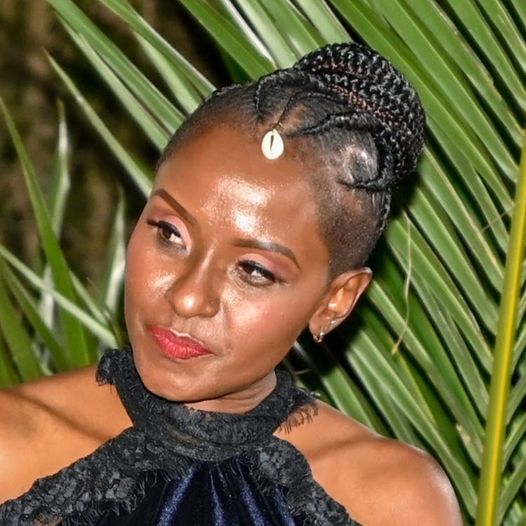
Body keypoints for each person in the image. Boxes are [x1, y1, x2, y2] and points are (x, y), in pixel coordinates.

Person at [0, 42, 462, 525]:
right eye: (170, 233)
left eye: (254, 270)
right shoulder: (12, 447)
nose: (188, 297)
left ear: (335, 301)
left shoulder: (393, 502)